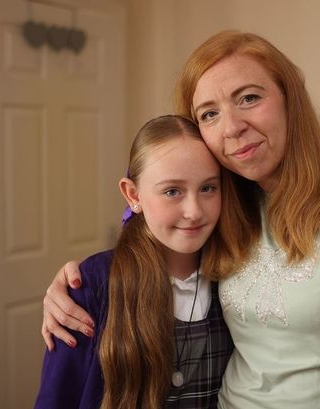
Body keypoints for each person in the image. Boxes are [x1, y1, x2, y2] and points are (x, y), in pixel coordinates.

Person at [41, 30, 320, 408]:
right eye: (209, 114)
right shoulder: (227, 202)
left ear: (289, 98)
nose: (232, 127)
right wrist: (79, 283)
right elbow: (158, 217)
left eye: (249, 98)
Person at [35, 115, 235, 409]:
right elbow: (57, 399)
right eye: (172, 191)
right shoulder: (92, 285)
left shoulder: (235, 278)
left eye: (208, 188)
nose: (194, 211)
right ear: (133, 195)